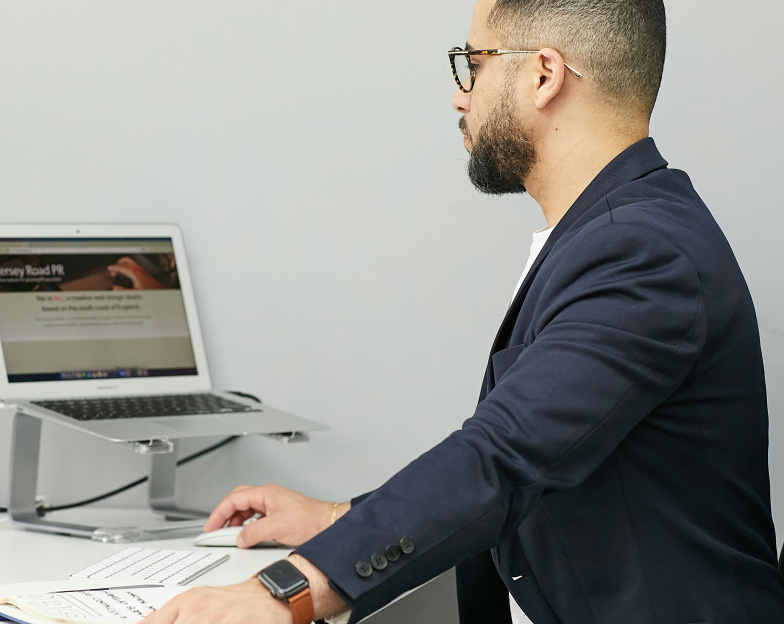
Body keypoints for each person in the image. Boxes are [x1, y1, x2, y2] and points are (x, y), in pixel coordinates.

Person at [140, 1, 784, 623]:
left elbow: (505, 455)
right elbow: (546, 462)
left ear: (542, 75)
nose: (459, 94)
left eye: (472, 64)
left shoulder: (640, 254)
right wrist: (339, 521)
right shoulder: (612, 235)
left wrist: (285, 590)